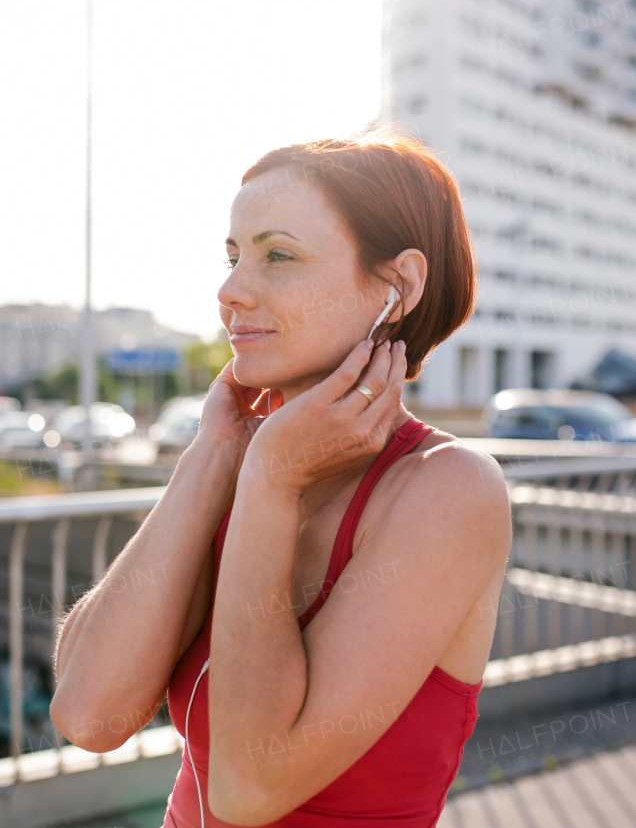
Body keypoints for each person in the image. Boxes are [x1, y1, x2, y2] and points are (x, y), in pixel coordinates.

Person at [51, 129, 512, 827]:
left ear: (399, 287)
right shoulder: (233, 461)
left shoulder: (448, 490)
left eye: (278, 256)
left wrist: (270, 478)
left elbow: (250, 787)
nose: (230, 291)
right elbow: (88, 714)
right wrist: (213, 452)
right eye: (234, 257)